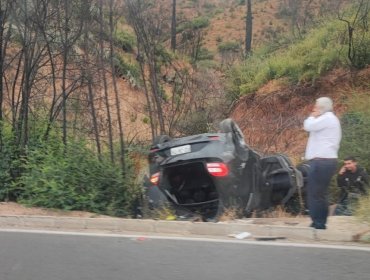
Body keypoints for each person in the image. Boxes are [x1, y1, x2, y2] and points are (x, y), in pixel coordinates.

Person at [303, 97, 341, 229]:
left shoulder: (326, 119)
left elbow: (308, 126)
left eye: (316, 106)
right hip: (328, 161)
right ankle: (320, 222)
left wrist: (312, 116)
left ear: (321, 108)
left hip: (321, 161)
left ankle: (318, 223)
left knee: (315, 193)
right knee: (321, 193)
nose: (314, 108)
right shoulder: (332, 119)